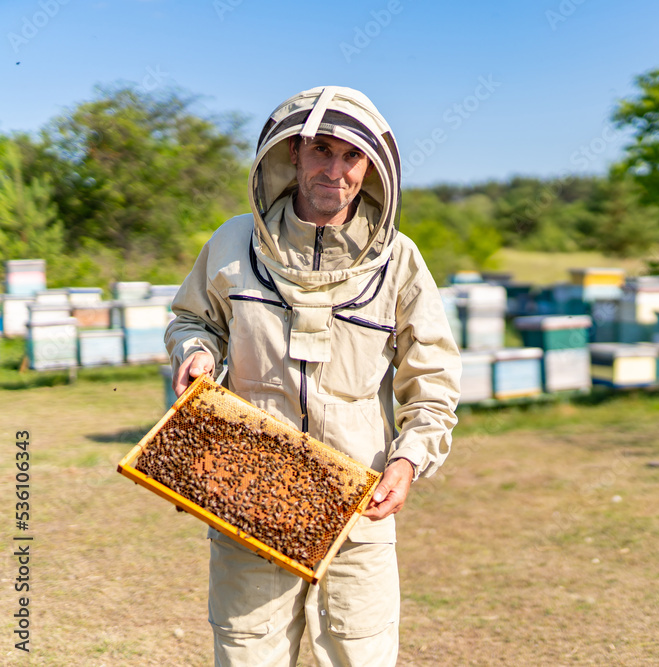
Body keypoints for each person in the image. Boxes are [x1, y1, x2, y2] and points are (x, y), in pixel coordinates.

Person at [164, 86, 461, 666]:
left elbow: (433, 380)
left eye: (350, 156)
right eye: (320, 151)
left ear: (370, 165)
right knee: (248, 655)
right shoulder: (231, 243)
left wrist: (408, 459)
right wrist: (196, 352)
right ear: (292, 154)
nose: (335, 169)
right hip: (249, 492)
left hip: (357, 504)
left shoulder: (400, 261)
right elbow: (191, 320)